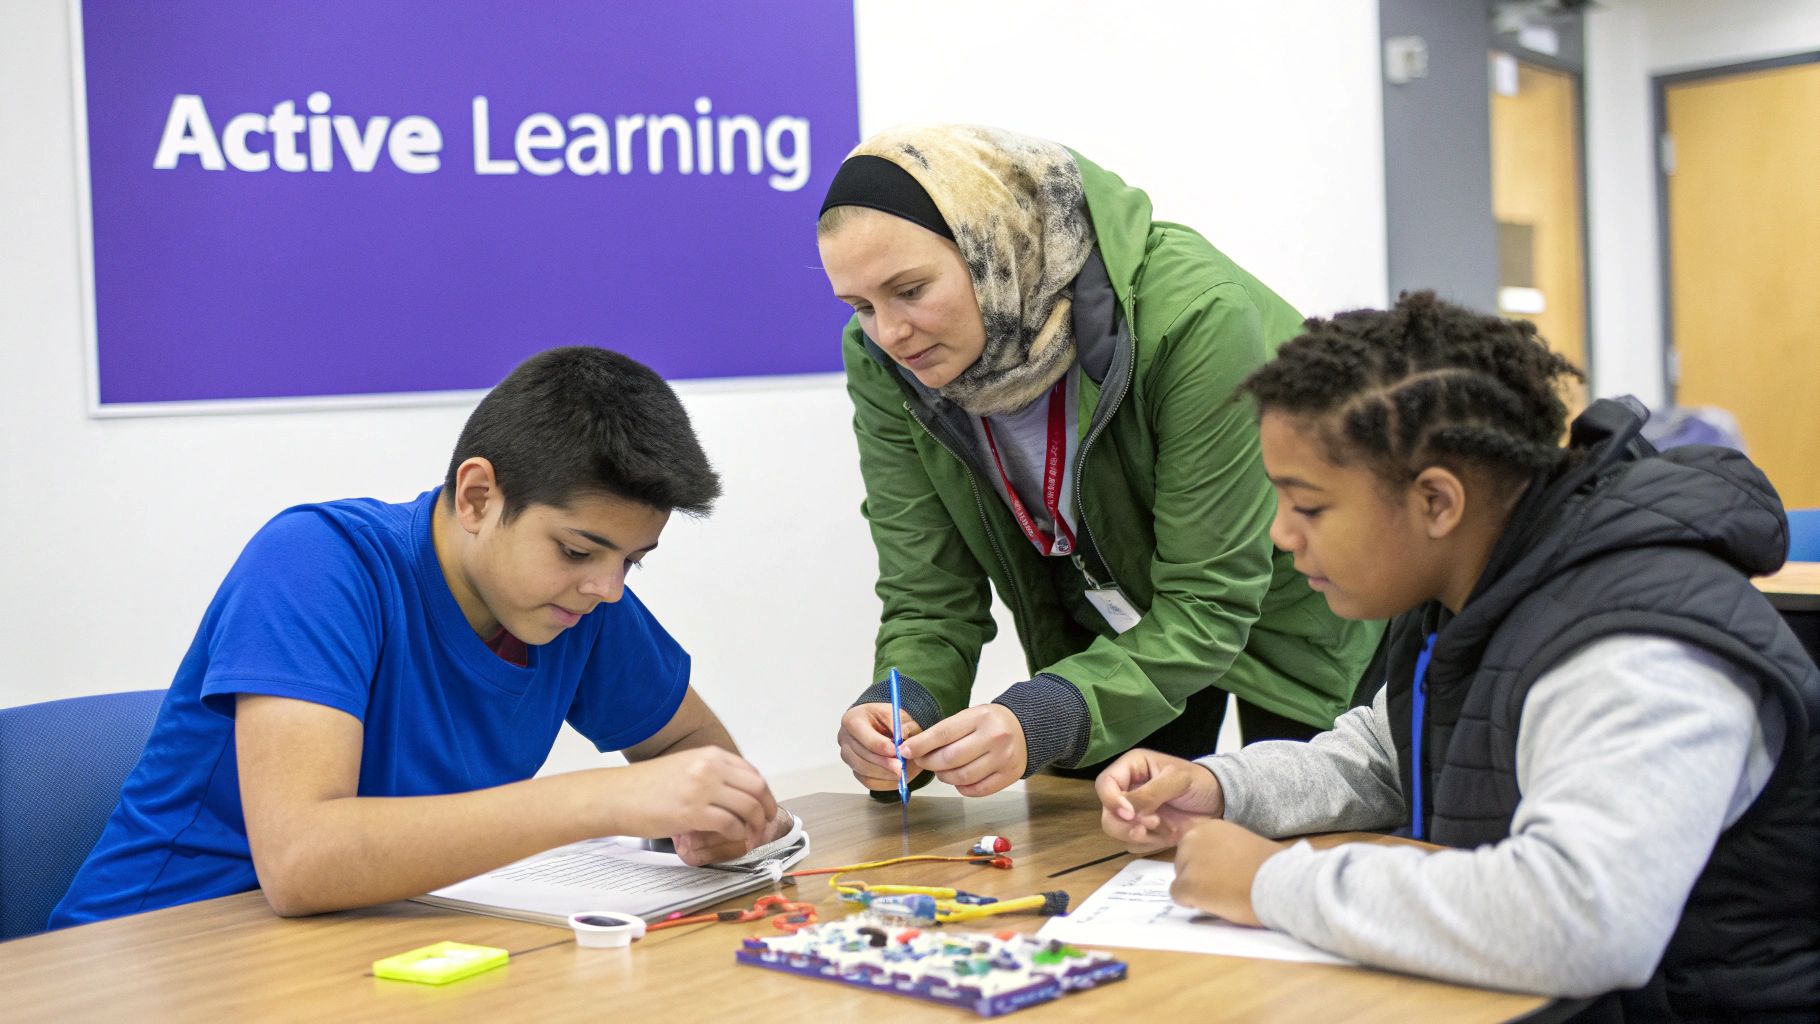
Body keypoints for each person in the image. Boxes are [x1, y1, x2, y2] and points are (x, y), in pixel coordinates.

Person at [1096, 293, 1819, 1017]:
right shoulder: (1472, 590)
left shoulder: (1639, 648)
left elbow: (1583, 919)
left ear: (1438, 502)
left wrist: (1272, 883)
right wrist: (1222, 790)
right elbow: (1386, 754)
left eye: (1308, 506)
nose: (1283, 535)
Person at [52, 347, 788, 926]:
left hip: (372, 951)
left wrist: (718, 820)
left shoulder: (580, 602)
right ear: (477, 496)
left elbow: (691, 754)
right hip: (156, 954)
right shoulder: (316, 561)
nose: (609, 587)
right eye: (577, 551)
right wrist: (609, 799)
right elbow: (303, 861)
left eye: (632, 561)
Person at [819, 124, 1382, 799]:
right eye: (861, 306)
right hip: (1126, 627)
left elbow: (1209, 600)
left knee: (1305, 831)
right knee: (1112, 846)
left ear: (994, 246)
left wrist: (1040, 717)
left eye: (910, 290)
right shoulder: (884, 359)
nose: (889, 332)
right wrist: (902, 704)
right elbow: (928, 595)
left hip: (1303, 604)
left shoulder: (1194, 314)